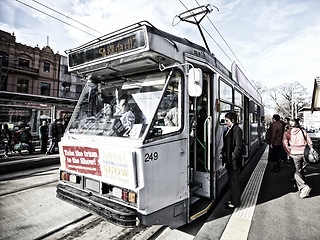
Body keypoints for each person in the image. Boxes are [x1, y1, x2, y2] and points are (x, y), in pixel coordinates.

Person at [283, 119, 312, 198]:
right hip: (304, 153)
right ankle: (301, 187)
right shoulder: (302, 131)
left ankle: (303, 187)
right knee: (302, 170)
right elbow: (310, 142)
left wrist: (289, 152)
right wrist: (309, 149)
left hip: (295, 153)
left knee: (297, 172)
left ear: (289, 125)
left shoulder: (286, 133)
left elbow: (284, 143)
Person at [220, 112, 243, 209]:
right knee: (231, 181)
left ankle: (235, 202)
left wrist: (233, 156)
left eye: (227, 121)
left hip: (234, 161)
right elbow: (226, 145)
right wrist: (222, 152)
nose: (225, 122)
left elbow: (238, 146)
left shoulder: (237, 130)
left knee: (235, 182)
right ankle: (233, 198)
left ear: (232, 121)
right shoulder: (228, 130)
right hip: (229, 160)